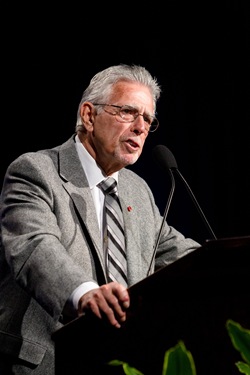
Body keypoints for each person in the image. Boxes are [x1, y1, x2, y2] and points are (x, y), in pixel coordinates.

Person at [0, 64, 200, 375]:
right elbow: (34, 247)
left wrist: (233, 265)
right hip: (50, 362)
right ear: (89, 115)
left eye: (148, 119)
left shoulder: (138, 190)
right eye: (128, 112)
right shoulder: (36, 172)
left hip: (123, 363)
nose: (140, 127)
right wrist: (84, 293)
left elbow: (177, 251)